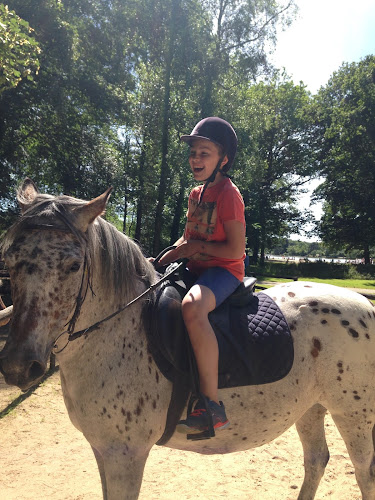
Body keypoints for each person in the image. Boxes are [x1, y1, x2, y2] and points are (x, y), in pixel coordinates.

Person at [156, 117, 246, 433]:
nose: (196, 158)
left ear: (223, 159)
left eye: (204, 152)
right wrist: (165, 256)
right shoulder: (196, 194)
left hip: (224, 271)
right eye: (193, 152)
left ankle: (211, 404)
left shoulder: (228, 195)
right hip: (196, 268)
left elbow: (235, 250)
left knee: (193, 308)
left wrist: (194, 249)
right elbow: (188, 238)